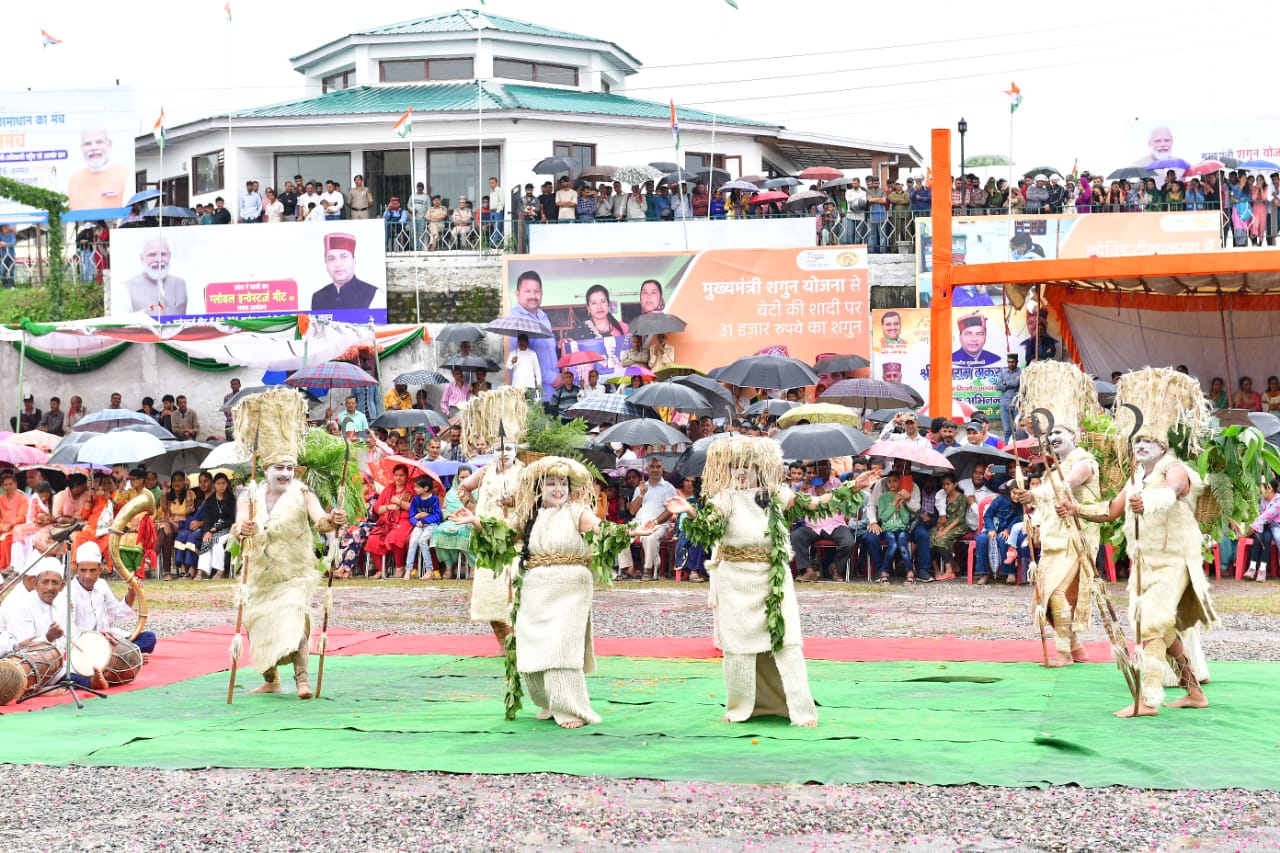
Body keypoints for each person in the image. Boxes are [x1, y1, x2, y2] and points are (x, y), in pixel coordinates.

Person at [668, 436, 875, 725]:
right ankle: (741, 706)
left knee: (786, 640)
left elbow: (815, 504)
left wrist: (854, 485)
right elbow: (707, 528)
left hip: (772, 577)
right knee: (738, 645)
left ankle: (799, 708)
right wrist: (690, 511)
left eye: (746, 466)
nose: (740, 472)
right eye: (734, 467)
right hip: (734, 579)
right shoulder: (723, 498)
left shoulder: (777, 494)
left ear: (758, 468)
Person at [456, 456, 655, 728]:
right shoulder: (529, 515)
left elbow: (602, 530)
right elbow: (502, 536)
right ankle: (548, 702)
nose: (558, 488)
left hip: (571, 586)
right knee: (532, 644)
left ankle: (572, 709)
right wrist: (475, 521)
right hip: (535, 586)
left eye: (562, 483)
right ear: (539, 488)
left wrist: (636, 531)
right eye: (550, 483)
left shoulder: (578, 512)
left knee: (562, 646)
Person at [1060, 368, 1216, 717]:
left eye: (1150, 441)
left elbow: (1173, 491)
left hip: (1175, 560)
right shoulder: (1135, 478)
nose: (1142, 445)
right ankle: (1194, 691)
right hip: (1145, 564)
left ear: (1163, 445)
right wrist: (1077, 508)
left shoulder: (1176, 469)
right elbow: (1110, 511)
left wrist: (1150, 500)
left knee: (1152, 624)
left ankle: (1148, 700)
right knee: (1164, 625)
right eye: (1138, 441)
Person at [230, 388, 346, 699]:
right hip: (260, 576)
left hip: (295, 573)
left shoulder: (303, 493)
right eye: (279, 468)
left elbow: (319, 520)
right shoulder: (249, 495)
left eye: (289, 468)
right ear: (265, 469)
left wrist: (332, 521)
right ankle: (271, 679)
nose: (285, 473)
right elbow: (238, 526)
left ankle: (302, 681)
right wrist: (244, 529)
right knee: (258, 624)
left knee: (295, 617)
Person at [1009, 361, 1102, 664]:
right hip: (1055, 540)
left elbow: (1062, 489)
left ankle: (1063, 651)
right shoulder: (1055, 467)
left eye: (1061, 432)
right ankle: (1075, 647)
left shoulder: (1084, 462)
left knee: (1058, 593)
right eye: (1052, 434)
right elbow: (1048, 498)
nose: (1056, 438)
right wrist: (1030, 503)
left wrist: (1034, 493)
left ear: (1075, 435)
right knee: (1043, 594)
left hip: (1077, 538)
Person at [455, 387, 528, 646]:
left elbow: (535, 500)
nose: (505, 452)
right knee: (490, 593)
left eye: (509, 447)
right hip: (488, 540)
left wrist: (517, 500)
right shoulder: (485, 472)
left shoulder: (525, 473)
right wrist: (473, 509)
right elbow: (462, 487)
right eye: (500, 448)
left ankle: (521, 641)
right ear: (492, 450)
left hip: (514, 540)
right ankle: (504, 642)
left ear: (516, 448)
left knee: (516, 592)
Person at [60, 541, 157, 655]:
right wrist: (98, 637)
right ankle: (126, 653)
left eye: (92, 570)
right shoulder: (69, 592)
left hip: (108, 639)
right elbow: (71, 634)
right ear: (77, 569)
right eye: (83, 570)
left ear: (100, 570)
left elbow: (116, 613)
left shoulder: (101, 585)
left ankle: (121, 653)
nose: (87, 576)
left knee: (149, 638)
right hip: (85, 644)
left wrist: (132, 592)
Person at [507, 271, 559, 398]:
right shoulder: (514, 319)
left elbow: (546, 349)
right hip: (530, 394)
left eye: (536, 291)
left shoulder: (543, 317)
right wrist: (552, 378)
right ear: (517, 294)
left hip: (552, 393)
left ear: (541, 294)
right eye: (528, 291)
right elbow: (520, 356)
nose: (533, 296)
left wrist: (560, 344)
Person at [364, 464, 414, 579]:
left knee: (394, 537)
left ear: (407, 476)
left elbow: (414, 507)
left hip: (404, 520)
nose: (398, 478)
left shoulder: (411, 488)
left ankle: (399, 568)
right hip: (386, 521)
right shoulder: (389, 488)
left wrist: (400, 503)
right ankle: (382, 570)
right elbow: (377, 508)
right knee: (373, 540)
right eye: (396, 475)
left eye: (402, 475)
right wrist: (389, 507)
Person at [121, 236, 188, 316]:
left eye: (163, 254)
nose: (158, 259)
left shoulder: (182, 284)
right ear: (142, 258)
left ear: (169, 256)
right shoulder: (127, 288)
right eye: (152, 255)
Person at [65, 128, 130, 211]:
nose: (93, 148)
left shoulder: (125, 174)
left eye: (99, 142)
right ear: (82, 147)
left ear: (109, 144)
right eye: (88, 144)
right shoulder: (74, 178)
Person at [311, 233, 378, 312]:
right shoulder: (318, 297)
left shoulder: (373, 294)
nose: (338, 264)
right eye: (331, 258)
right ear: (326, 263)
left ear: (354, 260)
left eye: (344, 257)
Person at [431, 464, 474, 580]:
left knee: (466, 534)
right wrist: (452, 514)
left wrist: (466, 512)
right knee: (438, 532)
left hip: (469, 521)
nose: (464, 480)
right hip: (453, 520)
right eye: (462, 477)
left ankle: (473, 566)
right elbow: (445, 511)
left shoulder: (477, 491)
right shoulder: (451, 493)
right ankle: (449, 566)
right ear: (457, 477)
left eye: (467, 477)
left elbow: (478, 509)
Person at [193, 473, 237, 579]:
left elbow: (232, 519)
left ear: (227, 484)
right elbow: (207, 519)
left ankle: (219, 571)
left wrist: (217, 528)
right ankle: (201, 571)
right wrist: (207, 531)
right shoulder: (210, 501)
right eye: (218, 483)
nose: (221, 486)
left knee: (217, 540)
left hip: (228, 529)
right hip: (212, 529)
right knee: (207, 540)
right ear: (214, 485)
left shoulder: (231, 500)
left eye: (223, 483)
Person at [405, 475, 443, 579]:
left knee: (422, 541)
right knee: (413, 541)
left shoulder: (435, 499)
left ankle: (429, 570)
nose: (415, 489)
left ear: (425, 488)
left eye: (417, 487)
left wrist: (424, 520)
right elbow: (411, 515)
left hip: (432, 525)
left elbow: (437, 515)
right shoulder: (415, 500)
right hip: (419, 525)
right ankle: (408, 570)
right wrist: (416, 522)